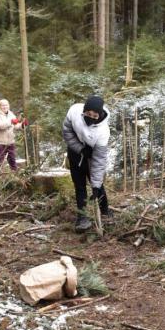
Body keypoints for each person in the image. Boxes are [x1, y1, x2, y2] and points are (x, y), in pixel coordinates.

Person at [62, 95, 112, 232]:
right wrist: (80, 149)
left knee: (98, 185)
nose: (91, 117)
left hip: (92, 156)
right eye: (88, 114)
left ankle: (105, 211)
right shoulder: (74, 111)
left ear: (100, 115)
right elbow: (67, 132)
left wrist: (95, 186)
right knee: (79, 186)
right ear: (84, 111)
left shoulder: (103, 132)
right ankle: (82, 217)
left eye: (95, 116)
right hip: (75, 152)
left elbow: (99, 161)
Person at [0, 98, 27, 170]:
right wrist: (11, 122)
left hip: (10, 142)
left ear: (9, 106)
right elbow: (0, 126)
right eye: (3, 105)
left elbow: (16, 126)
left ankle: (14, 174)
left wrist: (22, 125)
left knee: (12, 161)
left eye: (6, 105)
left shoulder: (11, 114)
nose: (5, 107)